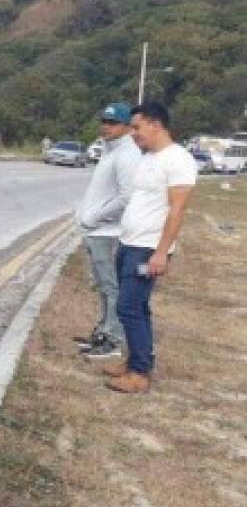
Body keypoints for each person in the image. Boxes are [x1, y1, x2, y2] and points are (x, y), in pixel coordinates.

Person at [101, 101, 197, 394]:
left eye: (137, 127)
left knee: (129, 307)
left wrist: (160, 252)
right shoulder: (149, 157)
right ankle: (135, 361)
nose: (133, 133)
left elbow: (176, 211)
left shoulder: (178, 160)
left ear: (156, 124)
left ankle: (139, 373)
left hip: (147, 250)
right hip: (130, 244)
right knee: (136, 307)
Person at [73, 102, 141, 360]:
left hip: (107, 232)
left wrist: (94, 216)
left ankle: (113, 339)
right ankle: (103, 330)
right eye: (104, 121)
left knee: (111, 287)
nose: (106, 127)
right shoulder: (110, 151)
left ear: (126, 127)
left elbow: (126, 197)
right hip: (96, 230)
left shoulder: (127, 155)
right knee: (102, 285)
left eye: (113, 123)